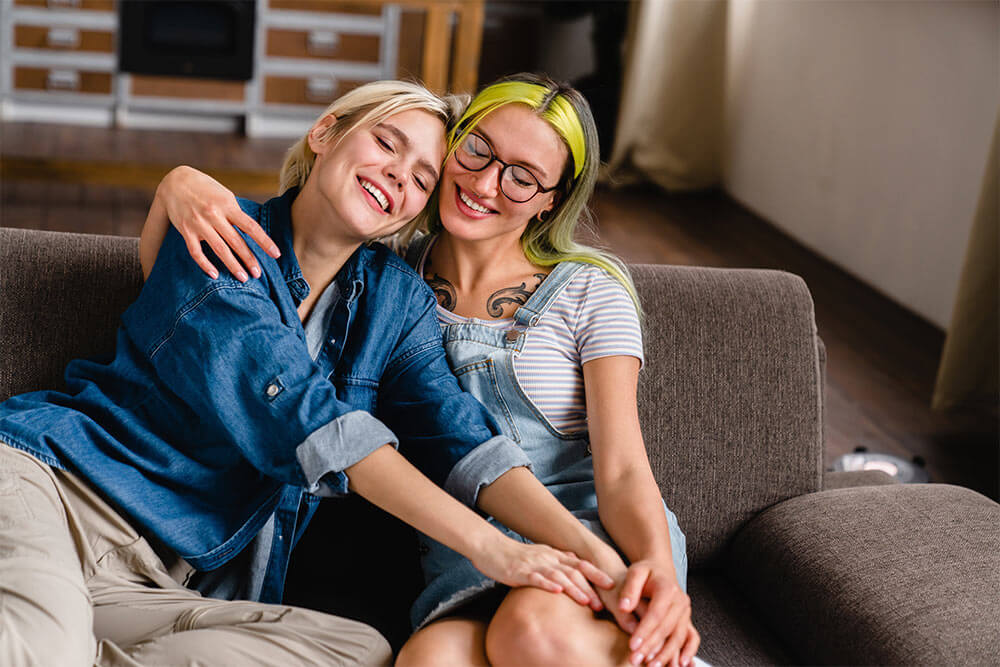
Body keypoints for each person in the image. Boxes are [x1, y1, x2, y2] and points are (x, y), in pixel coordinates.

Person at [0, 80, 618, 666]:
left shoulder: (395, 301)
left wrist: (592, 554)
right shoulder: (221, 234)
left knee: (357, 653)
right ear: (326, 133)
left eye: (423, 176)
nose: (398, 174)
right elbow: (306, 418)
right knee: (46, 645)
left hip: (156, 577)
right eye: (385, 142)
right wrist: (496, 550)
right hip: (56, 493)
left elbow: (460, 437)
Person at [145, 74, 703, 667]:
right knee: (425, 661)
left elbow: (621, 472)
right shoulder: (382, 281)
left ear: (552, 201)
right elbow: (260, 290)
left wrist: (656, 578)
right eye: (477, 150)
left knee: (533, 630)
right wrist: (177, 182)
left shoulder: (589, 291)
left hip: (585, 525)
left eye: (522, 177)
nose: (486, 183)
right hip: (464, 549)